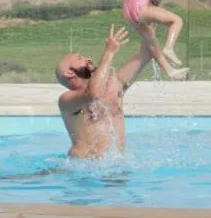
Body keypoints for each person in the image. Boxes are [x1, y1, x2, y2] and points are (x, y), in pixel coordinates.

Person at [54, 24, 152, 159]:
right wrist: (109, 52)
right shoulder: (66, 102)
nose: (88, 58)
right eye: (79, 59)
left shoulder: (114, 84)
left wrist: (148, 22)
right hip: (83, 171)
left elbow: (146, 54)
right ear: (70, 73)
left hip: (115, 168)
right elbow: (94, 94)